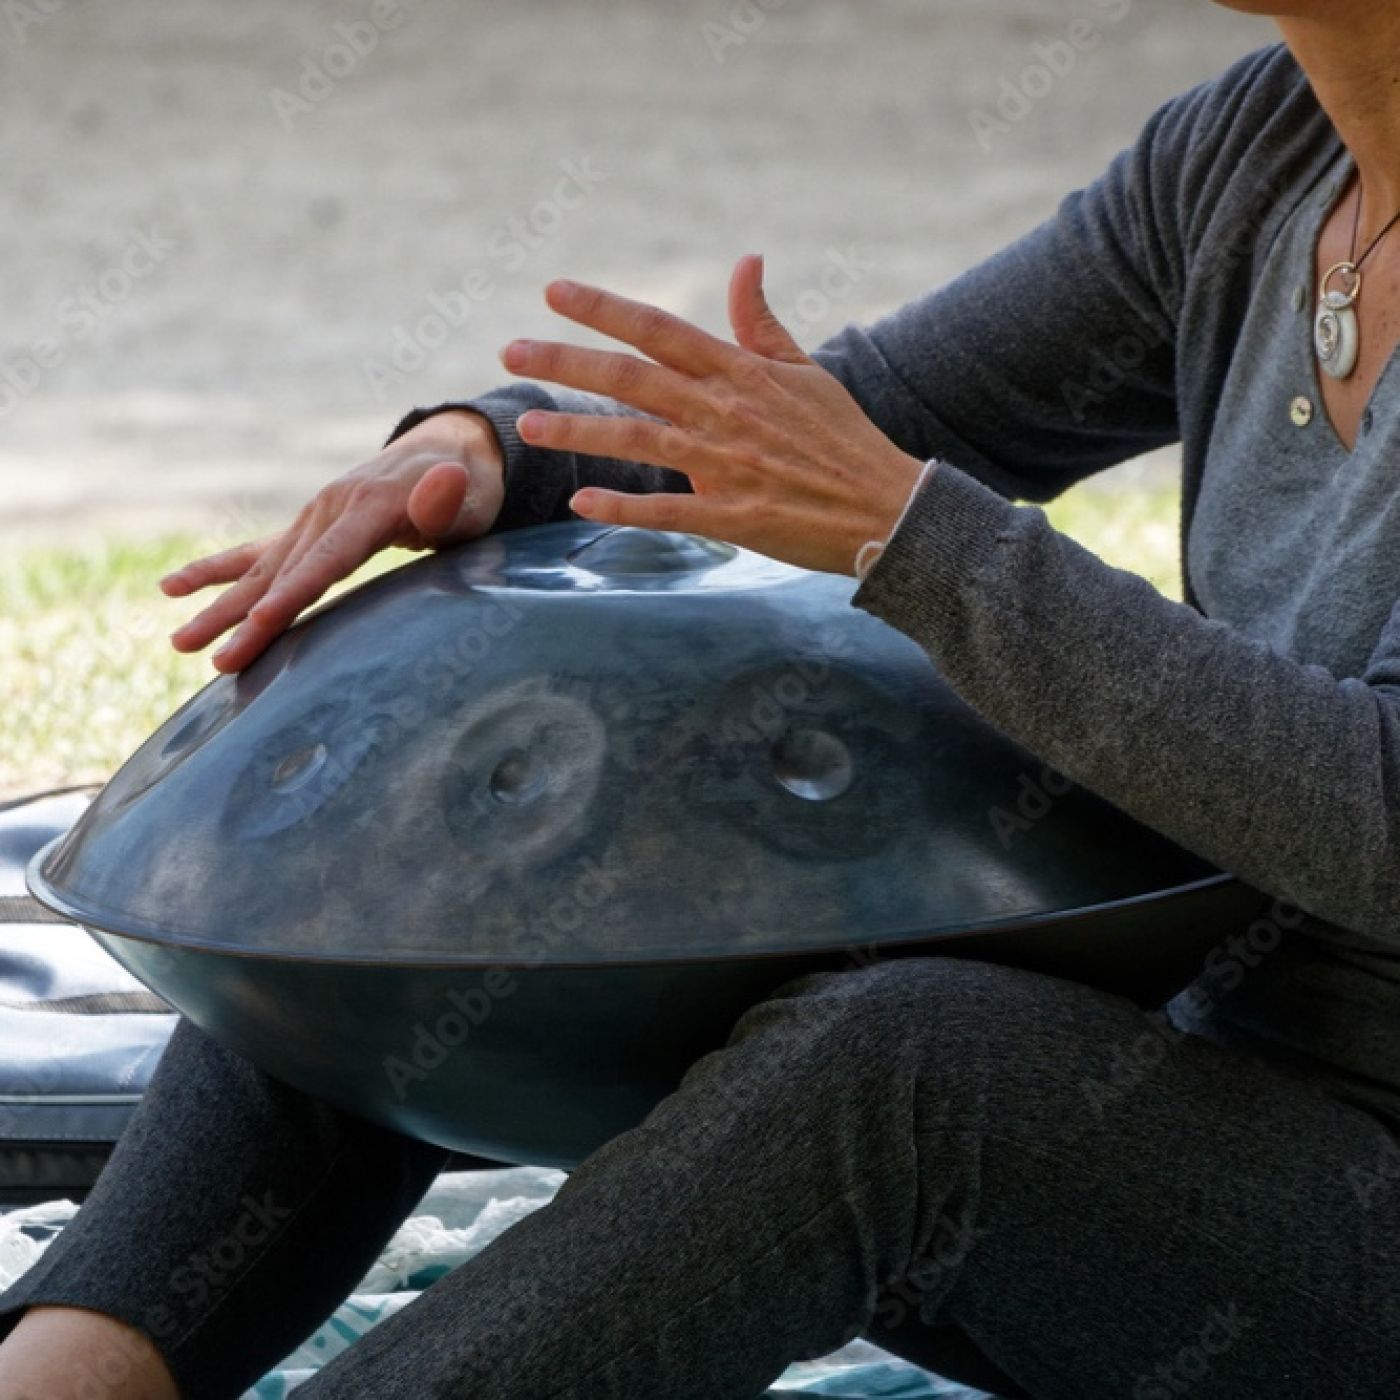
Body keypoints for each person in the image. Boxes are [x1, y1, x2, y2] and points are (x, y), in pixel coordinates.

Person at [4, 2, 1400, 1395]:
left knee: (908, 1076)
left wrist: (919, 540)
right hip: (1186, 1114)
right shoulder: (1262, 149)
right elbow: (865, 420)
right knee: (414, 833)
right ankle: (73, 1371)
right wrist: (494, 452)